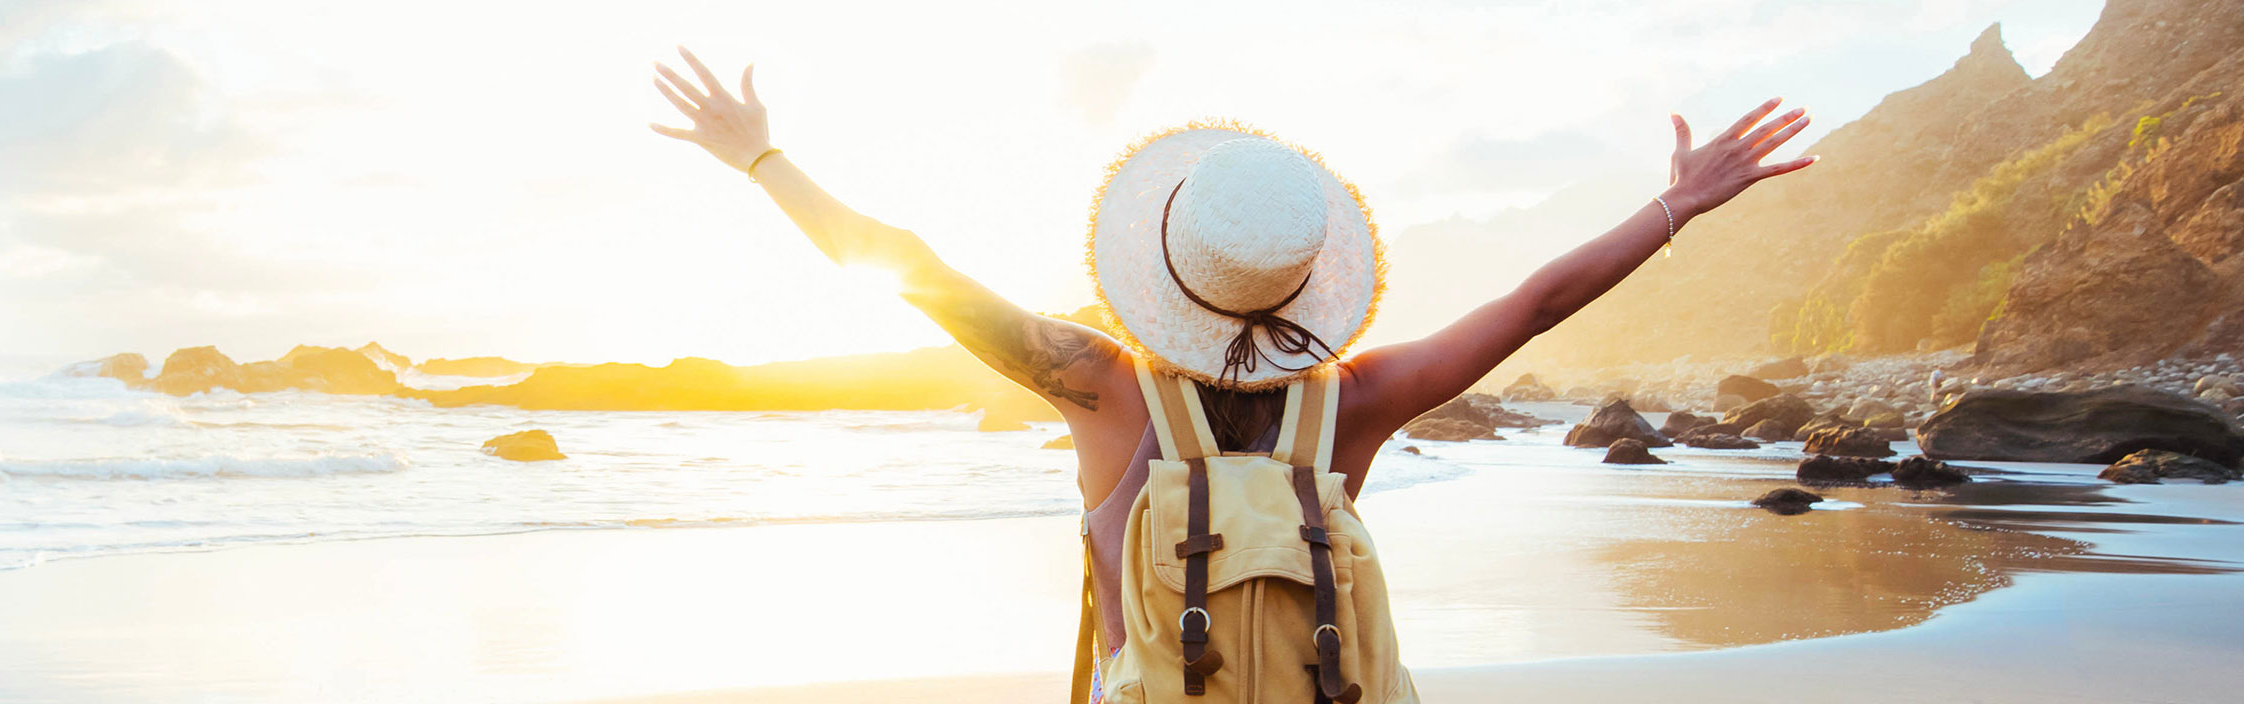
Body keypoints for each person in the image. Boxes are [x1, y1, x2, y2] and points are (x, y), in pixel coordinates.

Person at [642, 46, 1815, 694]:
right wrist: (1674, 205)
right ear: (1306, 282)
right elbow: (1533, 303)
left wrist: (763, 160)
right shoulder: (1352, 399)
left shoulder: (1096, 382)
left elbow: (912, 269)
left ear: (1158, 260)